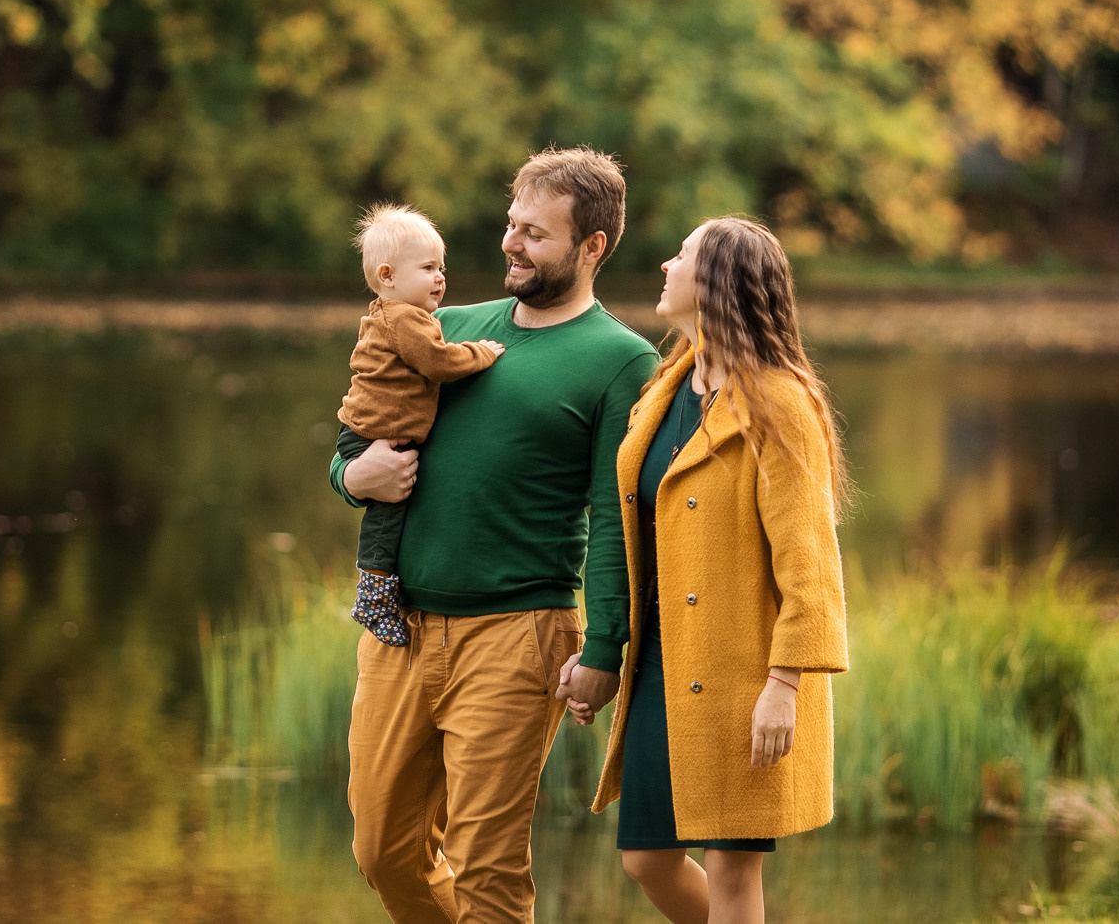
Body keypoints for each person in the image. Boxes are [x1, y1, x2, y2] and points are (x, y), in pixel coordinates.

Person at [331, 147, 656, 923]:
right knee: (383, 852)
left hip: (518, 633)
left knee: (487, 869)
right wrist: (351, 477)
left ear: (592, 247)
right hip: (398, 628)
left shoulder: (622, 360)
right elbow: (357, 439)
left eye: (535, 233)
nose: (511, 242)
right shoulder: (439, 327)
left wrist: (607, 646)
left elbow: (618, 522)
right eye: (512, 224)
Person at [564, 216, 849, 924]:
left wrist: (785, 683)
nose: (665, 264)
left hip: (745, 673)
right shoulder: (667, 386)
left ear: (718, 280)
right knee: (646, 859)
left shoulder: (780, 401)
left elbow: (810, 561)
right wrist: (608, 649)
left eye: (683, 255)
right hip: (662, 663)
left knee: (730, 870)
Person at [335, 203, 507, 646]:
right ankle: (373, 592)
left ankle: (377, 587)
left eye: (441, 267)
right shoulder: (406, 319)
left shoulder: (388, 315)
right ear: (388, 276)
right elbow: (438, 361)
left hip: (367, 430)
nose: (440, 277)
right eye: (428, 267)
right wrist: (483, 353)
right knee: (386, 515)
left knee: (389, 510)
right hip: (374, 435)